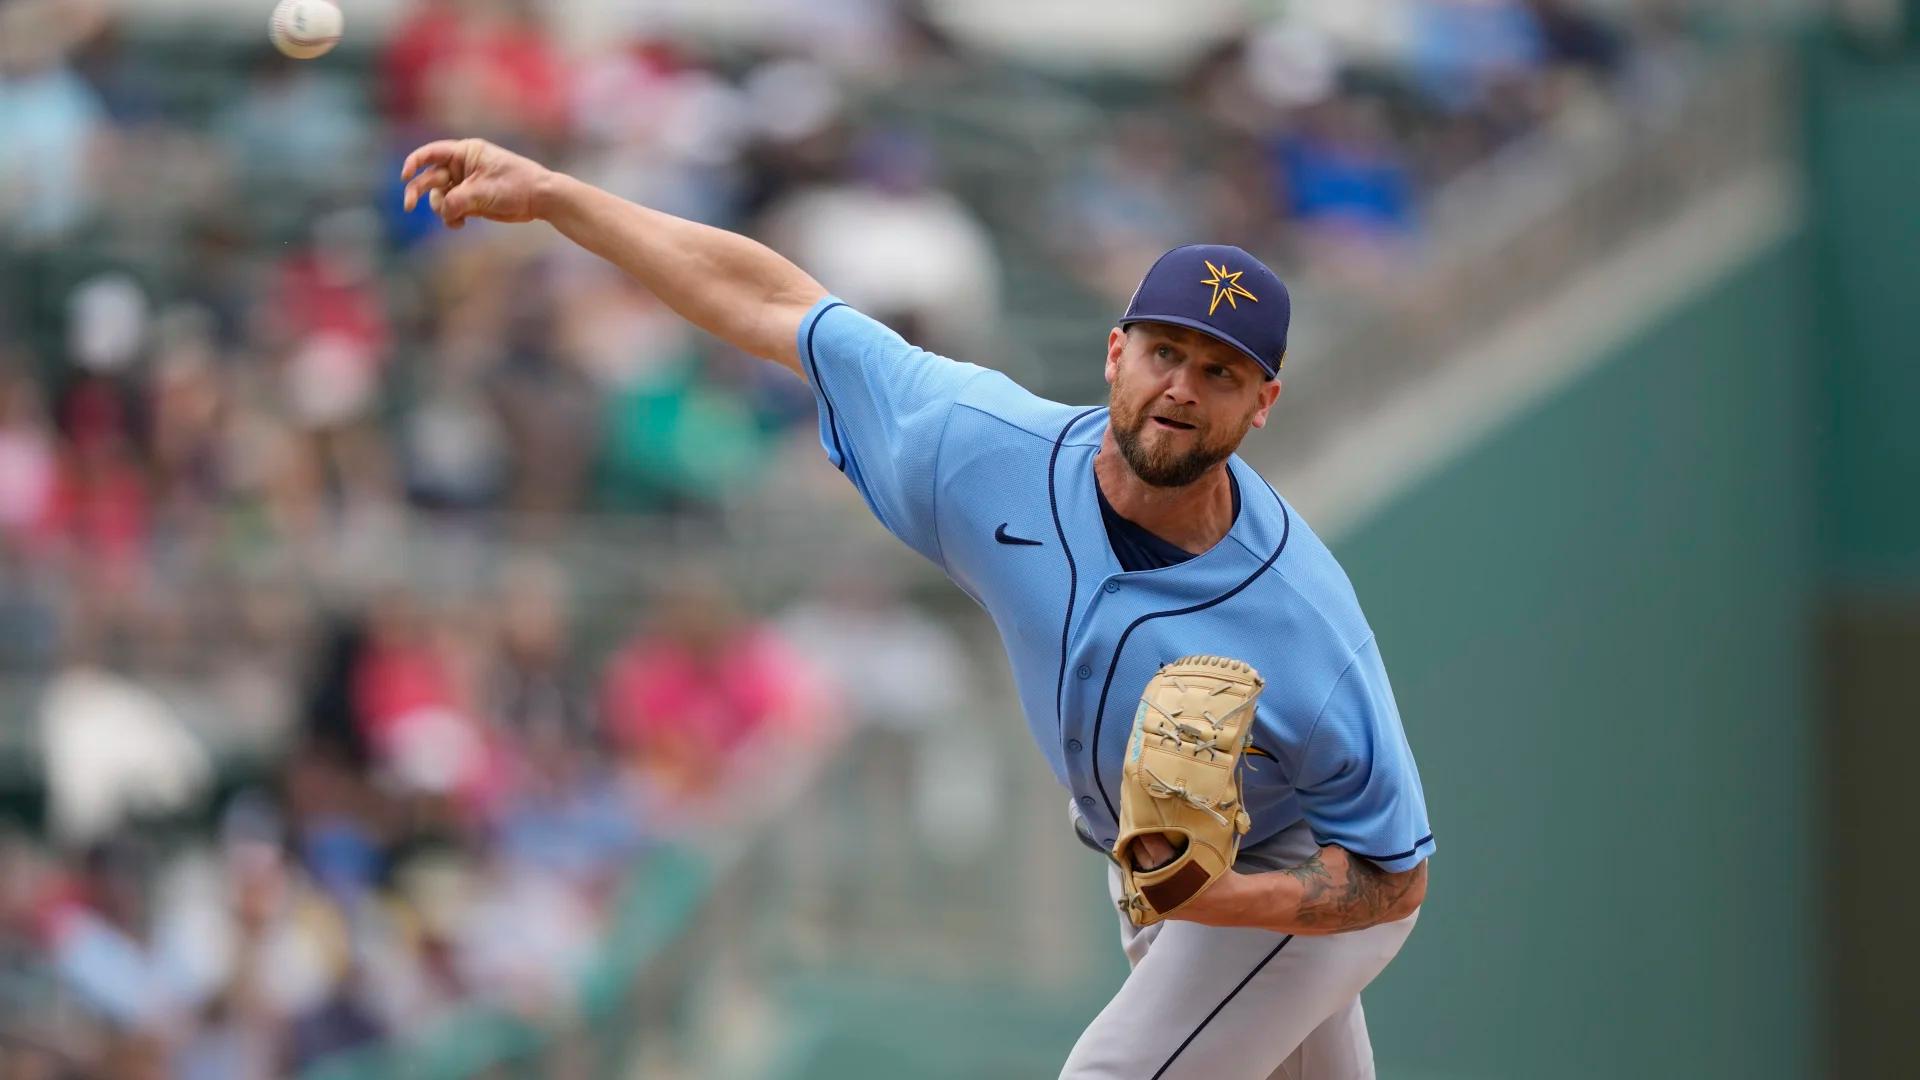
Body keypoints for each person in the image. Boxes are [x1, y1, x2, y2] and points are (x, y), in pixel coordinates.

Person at [399, 137, 1435, 1078]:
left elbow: (1392, 882)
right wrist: (553, 196)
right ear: (1115, 352)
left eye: (1221, 372)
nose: (1182, 387)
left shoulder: (1304, 620)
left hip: (1290, 883)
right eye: (1166, 352)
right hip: (1171, 883)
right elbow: (774, 304)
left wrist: (1221, 899)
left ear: (1264, 405)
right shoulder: (977, 447)